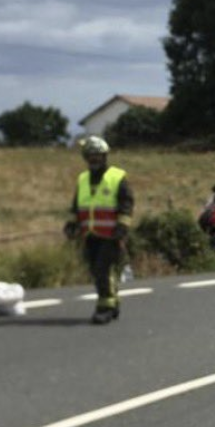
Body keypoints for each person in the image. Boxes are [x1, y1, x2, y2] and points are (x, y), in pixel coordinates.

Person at [64, 136, 134, 324]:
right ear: (85, 158)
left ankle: (105, 308)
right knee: (96, 271)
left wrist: (122, 227)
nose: (94, 159)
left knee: (103, 270)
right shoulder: (83, 179)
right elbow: (76, 206)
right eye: (90, 156)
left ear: (105, 156)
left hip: (111, 235)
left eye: (98, 155)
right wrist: (71, 224)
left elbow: (126, 203)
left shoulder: (117, 177)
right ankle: (113, 303)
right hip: (90, 235)